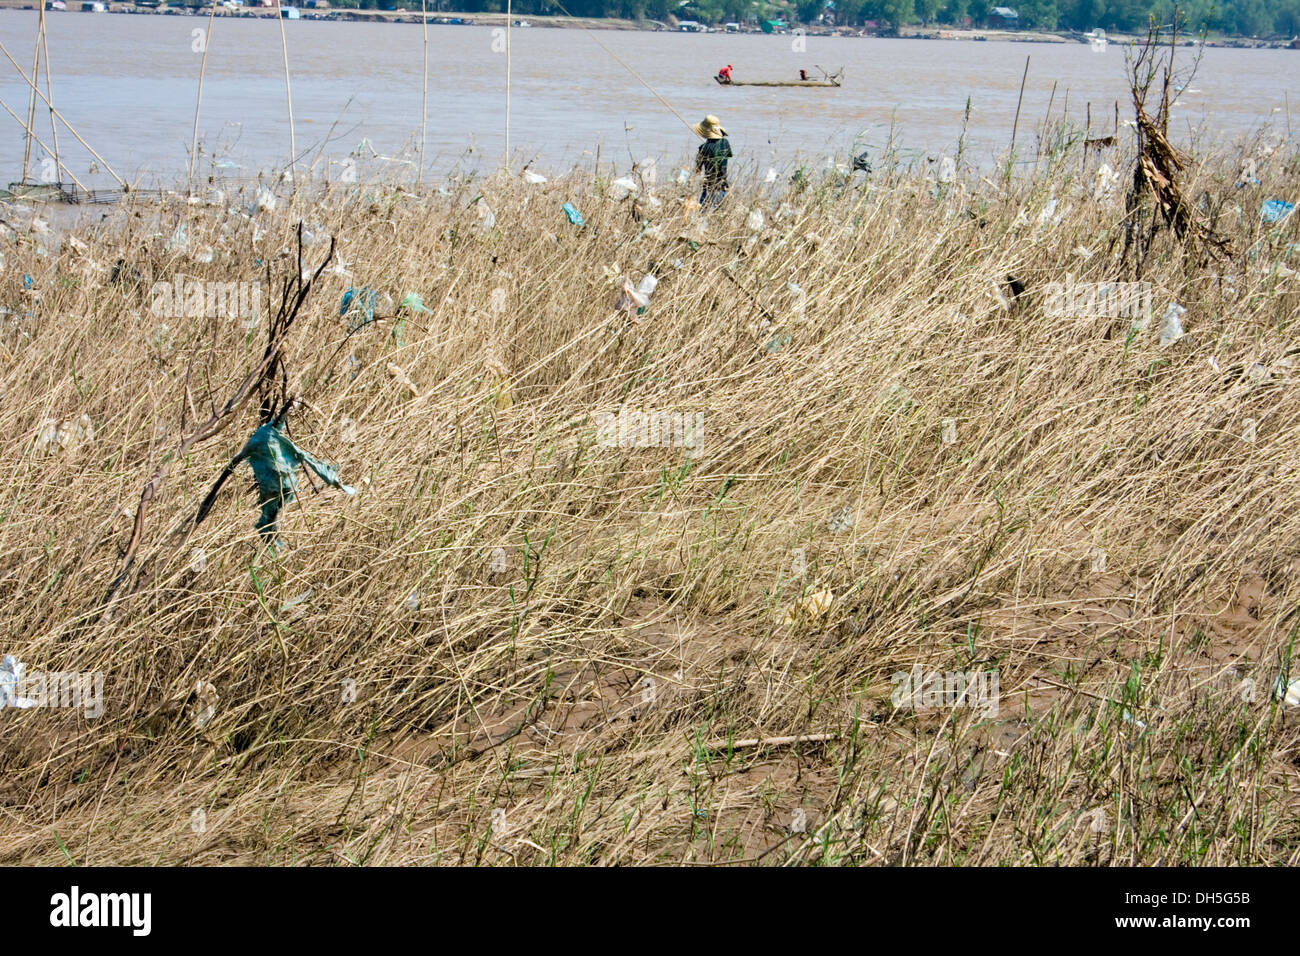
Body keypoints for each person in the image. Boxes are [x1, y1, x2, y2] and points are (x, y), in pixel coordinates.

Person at [692, 115, 732, 210]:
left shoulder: (703, 149)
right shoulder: (725, 143)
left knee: (703, 212)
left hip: (709, 187)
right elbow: (728, 155)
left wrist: (705, 147)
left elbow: (697, 170)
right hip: (722, 186)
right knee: (717, 212)